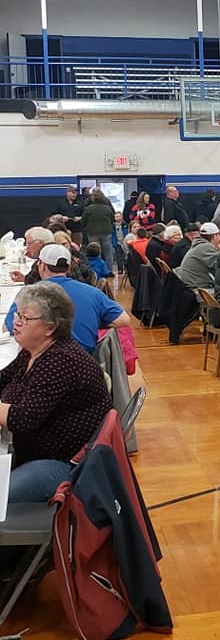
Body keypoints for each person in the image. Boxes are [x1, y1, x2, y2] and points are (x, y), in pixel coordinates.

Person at [0, 282, 112, 503]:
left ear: (50, 327)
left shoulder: (61, 361)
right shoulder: (35, 350)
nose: (17, 322)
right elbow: (3, 380)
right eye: (17, 314)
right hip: (35, 451)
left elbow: (22, 419)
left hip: (63, 464)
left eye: (26, 318)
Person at [5, 245, 130, 353]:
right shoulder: (92, 292)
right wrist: (93, 320)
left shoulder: (29, 294)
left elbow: (7, 327)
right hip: (88, 363)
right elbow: (123, 320)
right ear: (69, 268)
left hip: (48, 366)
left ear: (42, 266)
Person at [175, 222, 220, 292]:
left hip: (188, 286)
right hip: (197, 290)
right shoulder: (206, 247)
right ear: (215, 236)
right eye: (219, 235)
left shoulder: (198, 245)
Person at [81, 187, 116, 271]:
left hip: (92, 232)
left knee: (95, 252)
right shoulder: (107, 208)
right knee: (108, 252)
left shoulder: (88, 208)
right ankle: (109, 270)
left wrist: (86, 227)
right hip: (106, 231)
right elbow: (112, 218)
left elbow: (83, 221)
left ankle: (97, 270)